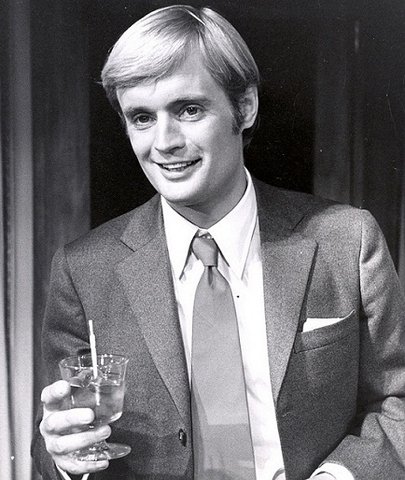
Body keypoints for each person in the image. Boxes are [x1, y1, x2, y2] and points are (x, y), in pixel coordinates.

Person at [32, 5, 405, 480]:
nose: (164, 142)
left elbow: (396, 400)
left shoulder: (346, 241)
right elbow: (55, 442)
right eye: (142, 118)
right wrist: (63, 459)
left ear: (244, 107)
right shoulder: (83, 271)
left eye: (188, 109)